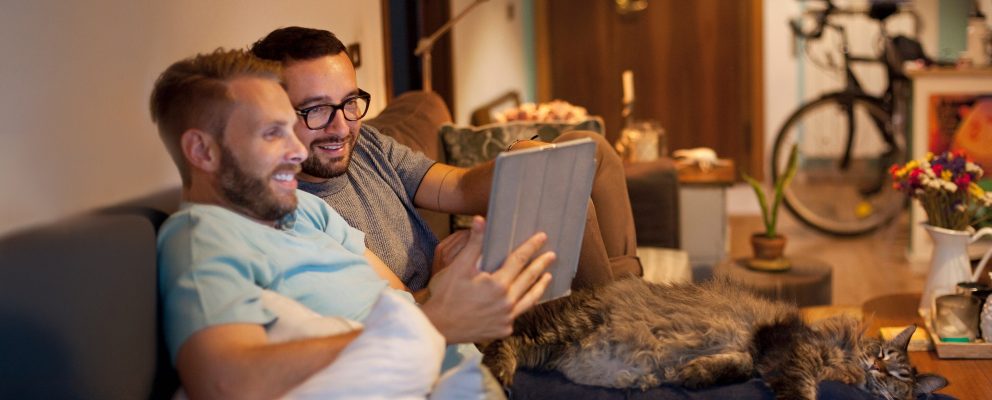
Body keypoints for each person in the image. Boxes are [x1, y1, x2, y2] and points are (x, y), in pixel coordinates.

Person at [150, 48, 554, 398]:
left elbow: (406, 300)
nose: (296, 151)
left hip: (474, 370)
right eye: (273, 134)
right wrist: (436, 323)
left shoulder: (303, 209)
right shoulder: (202, 236)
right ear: (202, 150)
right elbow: (224, 383)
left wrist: (454, 287)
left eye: (291, 130)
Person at [250, 27, 641, 294]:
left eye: (350, 103)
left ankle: (628, 295)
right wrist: (439, 284)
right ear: (272, 111)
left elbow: (457, 187)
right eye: (316, 109)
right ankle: (616, 321)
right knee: (567, 196)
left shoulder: (364, 142)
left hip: (470, 275)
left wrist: (521, 159)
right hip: (456, 312)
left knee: (589, 146)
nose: (340, 126)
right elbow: (396, 317)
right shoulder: (294, 212)